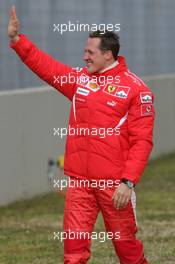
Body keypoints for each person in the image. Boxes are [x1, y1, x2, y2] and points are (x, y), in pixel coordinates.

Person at [8, 6, 155, 264]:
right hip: (79, 183)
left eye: (90, 52)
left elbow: (142, 141)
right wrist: (18, 41)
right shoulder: (80, 80)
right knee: (73, 252)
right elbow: (48, 67)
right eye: (84, 51)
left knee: (127, 248)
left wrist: (128, 181)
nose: (84, 56)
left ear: (107, 54)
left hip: (115, 186)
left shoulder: (136, 89)